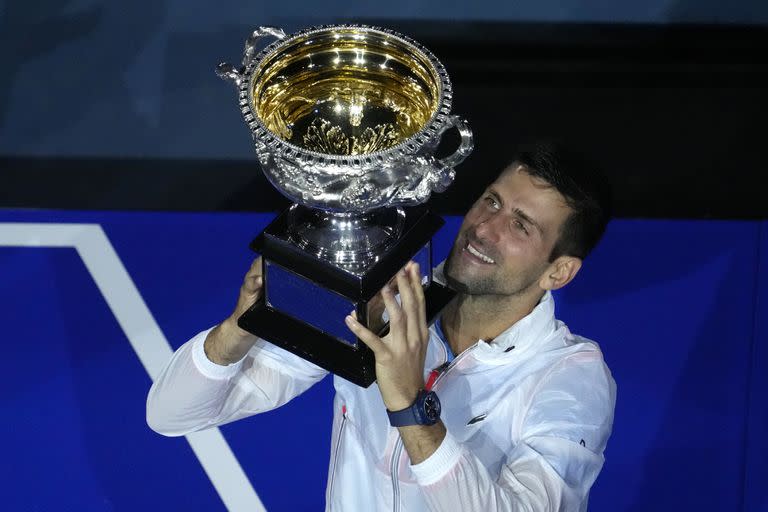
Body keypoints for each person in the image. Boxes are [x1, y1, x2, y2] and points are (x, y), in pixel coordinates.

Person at [147, 140, 617, 511]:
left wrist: (410, 405)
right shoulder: (389, 296)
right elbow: (171, 415)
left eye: (521, 226)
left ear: (559, 272)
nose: (484, 229)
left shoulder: (571, 377)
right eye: (491, 201)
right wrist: (242, 325)